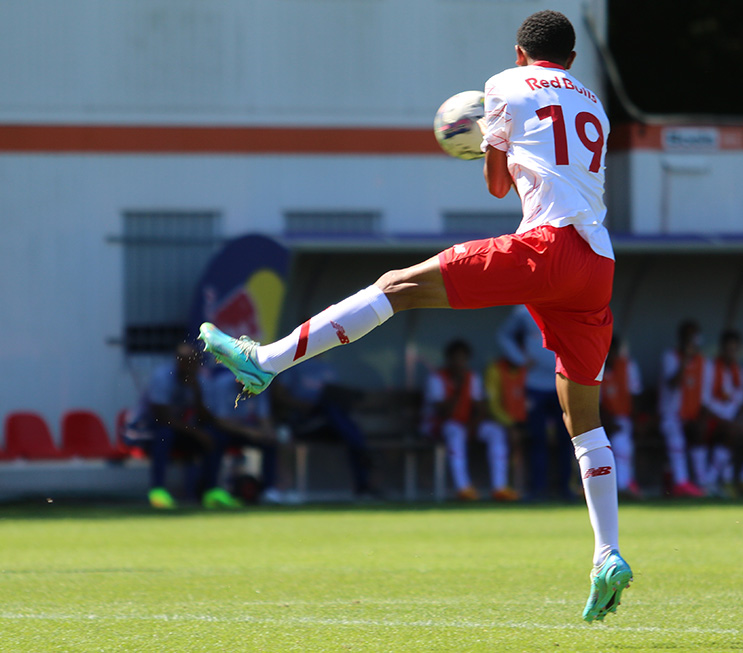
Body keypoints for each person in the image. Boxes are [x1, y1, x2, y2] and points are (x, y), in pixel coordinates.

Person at [199, 10, 630, 621]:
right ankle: (607, 554)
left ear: (518, 51)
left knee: (396, 286)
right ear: (572, 59)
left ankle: (265, 361)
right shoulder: (596, 106)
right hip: (598, 262)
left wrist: (483, 138)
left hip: (546, 248)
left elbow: (496, 188)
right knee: (582, 418)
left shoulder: (504, 84)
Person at [125, 343, 240, 509]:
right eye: (187, 362)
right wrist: (196, 433)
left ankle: (211, 491)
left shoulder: (199, 380)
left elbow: (204, 418)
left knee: (215, 436)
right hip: (144, 431)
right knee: (164, 434)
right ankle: (158, 492)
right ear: (178, 362)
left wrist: (197, 392)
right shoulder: (163, 377)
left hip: (179, 430)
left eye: (194, 362)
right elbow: (163, 417)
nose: (191, 366)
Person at [425, 339, 518, 501]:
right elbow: (443, 412)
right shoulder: (437, 378)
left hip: (467, 424)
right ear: (448, 359)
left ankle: (499, 488)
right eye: (455, 358)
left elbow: (480, 407)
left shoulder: (471, 377)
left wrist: (473, 425)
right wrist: (458, 388)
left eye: (463, 359)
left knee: (496, 432)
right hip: (440, 425)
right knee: (455, 432)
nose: (459, 363)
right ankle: (464, 488)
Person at [497, 305, 574, 501]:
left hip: (563, 382)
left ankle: (565, 488)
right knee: (536, 438)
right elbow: (504, 335)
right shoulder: (524, 309)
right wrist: (520, 360)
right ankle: (538, 489)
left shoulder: (567, 301)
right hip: (534, 384)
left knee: (567, 438)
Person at [273, 359, 375, 497]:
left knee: (334, 412)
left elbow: (334, 394)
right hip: (304, 419)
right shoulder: (293, 364)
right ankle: (362, 449)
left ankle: (363, 487)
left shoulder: (327, 367)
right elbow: (279, 395)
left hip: (328, 423)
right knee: (346, 427)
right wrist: (302, 405)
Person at [701, 329, 743, 498]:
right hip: (711, 420)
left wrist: (739, 417)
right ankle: (711, 481)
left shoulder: (740, 371)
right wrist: (725, 419)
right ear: (721, 348)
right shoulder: (710, 367)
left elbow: (741, 401)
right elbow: (703, 401)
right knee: (731, 431)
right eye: (728, 348)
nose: (732, 352)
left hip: (733, 422)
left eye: (735, 349)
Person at [206, 367, 283, 503]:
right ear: (239, 379)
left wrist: (268, 432)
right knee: (215, 440)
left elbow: (264, 417)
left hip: (247, 430)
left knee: (270, 443)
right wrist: (250, 432)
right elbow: (220, 421)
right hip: (224, 431)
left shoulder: (259, 385)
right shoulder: (222, 384)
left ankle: (269, 490)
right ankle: (212, 488)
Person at [658, 320, 709, 497]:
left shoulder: (703, 361)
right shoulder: (670, 356)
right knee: (676, 437)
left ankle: (702, 483)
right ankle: (680, 482)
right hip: (670, 415)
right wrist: (685, 360)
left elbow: (705, 393)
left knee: (699, 433)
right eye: (689, 337)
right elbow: (673, 383)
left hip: (691, 416)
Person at [600, 335, 642, 498]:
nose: (612, 354)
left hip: (624, 418)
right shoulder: (597, 368)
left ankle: (624, 485)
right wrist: (606, 422)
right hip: (601, 419)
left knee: (621, 442)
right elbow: (595, 404)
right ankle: (615, 487)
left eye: (614, 350)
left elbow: (636, 396)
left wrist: (638, 422)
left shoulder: (628, 366)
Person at [484, 352, 528, 493]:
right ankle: (500, 488)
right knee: (499, 439)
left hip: (521, 423)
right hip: (496, 423)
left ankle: (522, 489)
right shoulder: (495, 370)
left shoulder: (527, 370)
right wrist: (511, 425)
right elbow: (492, 406)